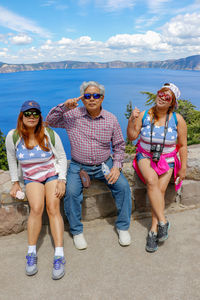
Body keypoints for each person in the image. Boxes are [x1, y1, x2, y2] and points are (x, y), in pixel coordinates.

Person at [46, 81, 132, 250]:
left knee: (122, 187)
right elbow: (50, 121)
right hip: (78, 166)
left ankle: (123, 227)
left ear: (102, 98)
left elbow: (119, 145)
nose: (92, 99)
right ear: (82, 99)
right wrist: (64, 106)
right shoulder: (72, 116)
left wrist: (116, 166)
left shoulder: (111, 119)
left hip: (104, 165)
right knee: (70, 193)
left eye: (96, 95)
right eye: (87, 96)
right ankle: (77, 232)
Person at [6, 100, 67, 280]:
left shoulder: (49, 133)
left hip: (51, 175)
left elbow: (62, 157)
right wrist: (15, 182)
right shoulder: (14, 136)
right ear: (22, 116)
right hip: (31, 177)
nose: (31, 117)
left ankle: (59, 254)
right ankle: (31, 252)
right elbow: (11, 159)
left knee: (53, 208)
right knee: (36, 209)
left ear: (40, 116)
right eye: (27, 113)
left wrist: (62, 180)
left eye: (35, 113)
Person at [127, 83, 187, 253]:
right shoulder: (145, 115)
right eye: (161, 93)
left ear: (172, 103)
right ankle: (163, 222)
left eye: (167, 96)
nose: (162, 97)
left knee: (159, 191)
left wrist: (182, 169)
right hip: (145, 156)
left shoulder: (177, 119)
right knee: (152, 181)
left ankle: (154, 229)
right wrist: (131, 119)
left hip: (167, 159)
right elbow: (131, 136)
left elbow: (182, 145)